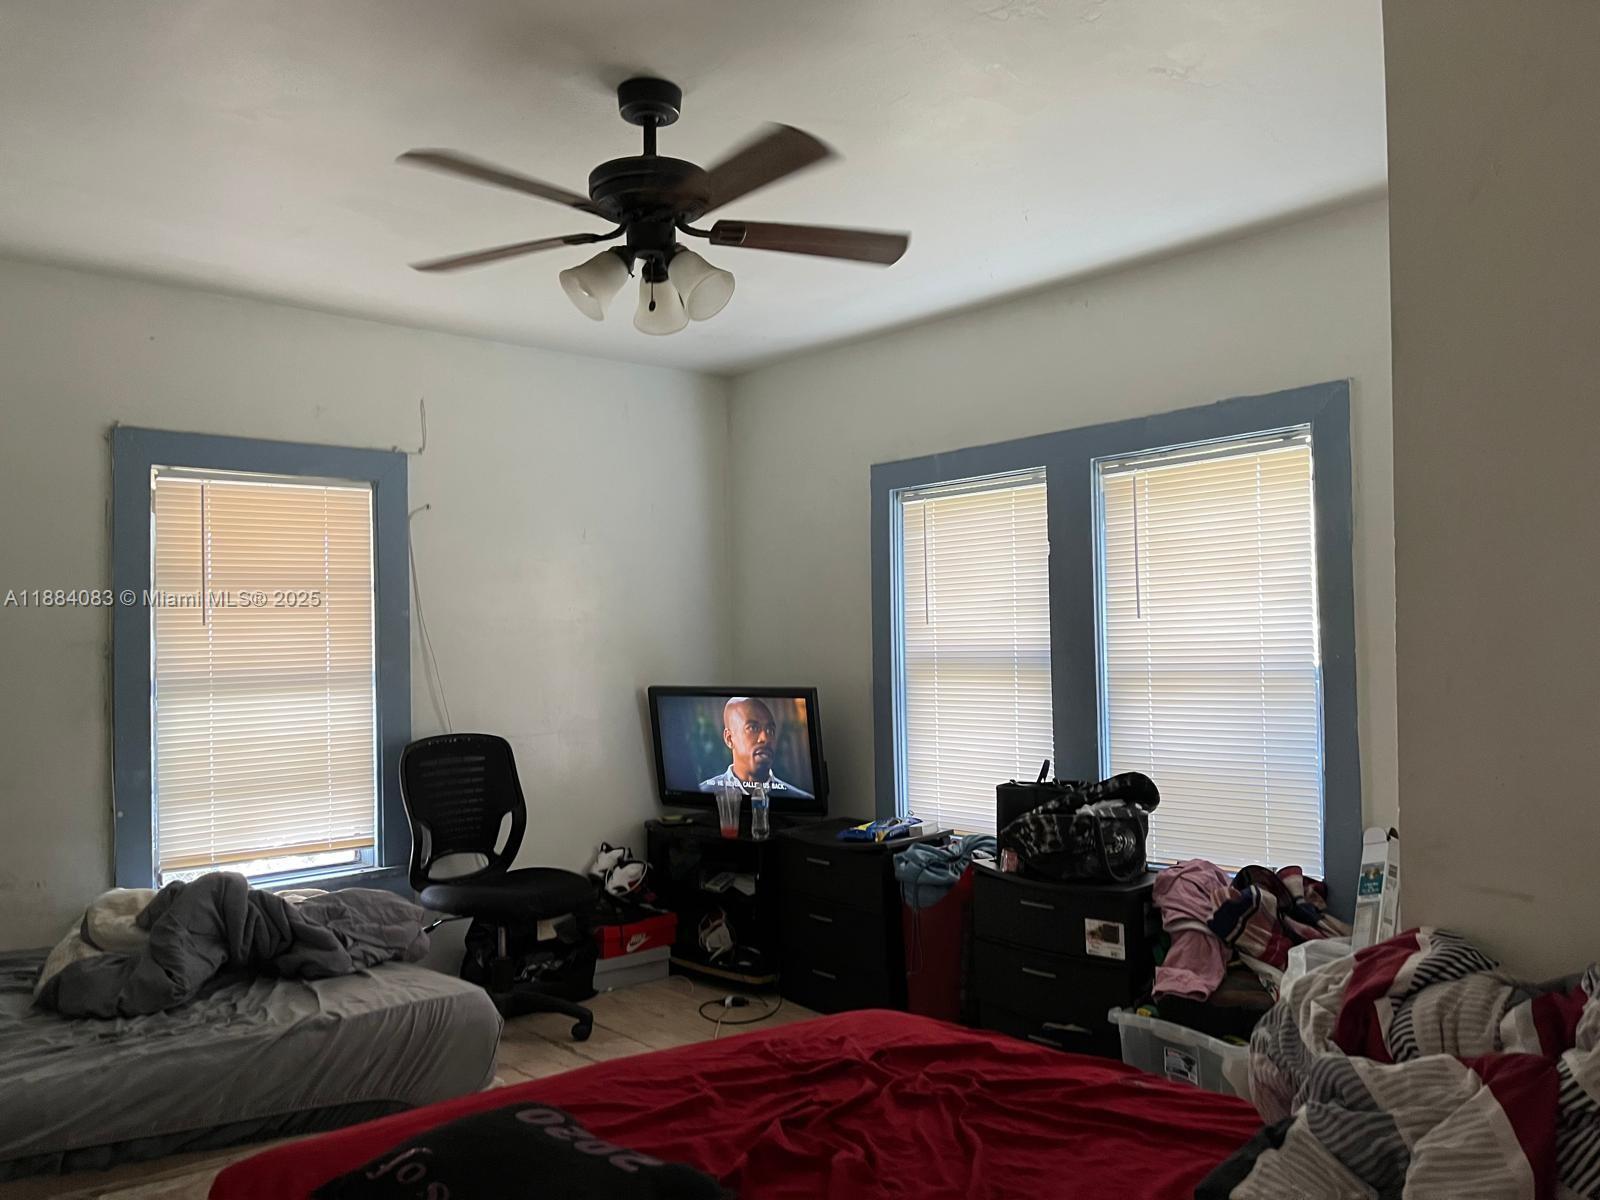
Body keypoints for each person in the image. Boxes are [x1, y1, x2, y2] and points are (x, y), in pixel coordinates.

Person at [699, 696, 813, 798]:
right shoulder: (702, 793)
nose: (765, 738)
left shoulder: (802, 800)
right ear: (729, 739)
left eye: (770, 730)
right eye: (753, 728)